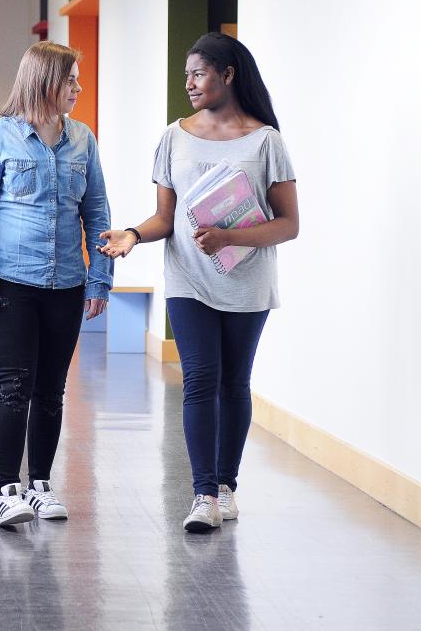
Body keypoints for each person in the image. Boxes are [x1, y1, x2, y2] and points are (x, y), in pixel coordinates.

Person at [99, 32, 299, 533]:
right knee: (199, 380)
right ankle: (203, 493)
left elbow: (288, 224)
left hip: (247, 281)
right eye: (185, 74)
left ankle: (227, 486)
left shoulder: (266, 140)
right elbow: (165, 218)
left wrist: (230, 233)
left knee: (234, 382)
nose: (188, 83)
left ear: (228, 75)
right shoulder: (173, 137)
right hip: (188, 278)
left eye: (199, 73)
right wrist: (132, 235)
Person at [0, 41, 113, 527]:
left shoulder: (82, 140)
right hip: (10, 285)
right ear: (45, 80)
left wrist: (99, 281)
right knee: (13, 388)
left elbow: (97, 212)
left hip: (66, 284)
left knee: (51, 390)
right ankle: (7, 490)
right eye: (70, 80)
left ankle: (41, 484)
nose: (78, 89)